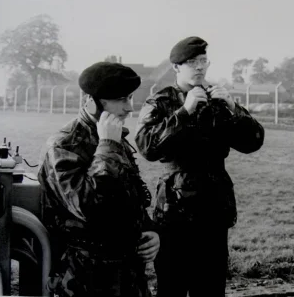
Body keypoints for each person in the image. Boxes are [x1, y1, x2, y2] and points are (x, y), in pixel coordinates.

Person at [135, 36, 265, 297]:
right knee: (172, 285)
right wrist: (184, 111)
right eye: (191, 62)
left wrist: (234, 108)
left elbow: (253, 142)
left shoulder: (219, 100)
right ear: (176, 67)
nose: (199, 67)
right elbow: (147, 148)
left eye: (203, 61)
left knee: (211, 286)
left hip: (214, 208)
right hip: (174, 209)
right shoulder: (160, 102)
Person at [38, 62, 160, 297]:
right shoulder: (64, 145)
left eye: (130, 98)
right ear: (92, 102)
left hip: (128, 272)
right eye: (121, 99)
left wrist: (150, 230)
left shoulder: (113, 139)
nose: (129, 108)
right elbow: (89, 207)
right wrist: (107, 147)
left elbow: (131, 195)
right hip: (86, 276)